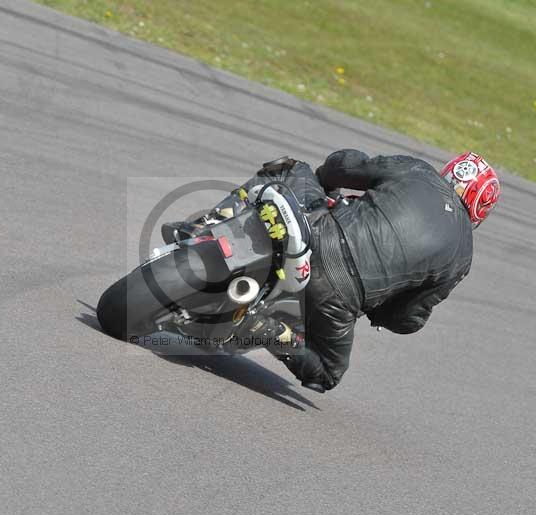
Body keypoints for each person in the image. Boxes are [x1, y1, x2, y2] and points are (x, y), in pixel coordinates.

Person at [187, 150, 500, 393]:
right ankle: (267, 330)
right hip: (339, 300)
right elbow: (410, 316)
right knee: (326, 373)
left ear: (451, 171)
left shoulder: (416, 170)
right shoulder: (463, 256)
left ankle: (209, 225)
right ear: (479, 208)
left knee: (291, 169)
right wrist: (379, 313)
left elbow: (348, 164)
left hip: (317, 234)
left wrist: (325, 181)